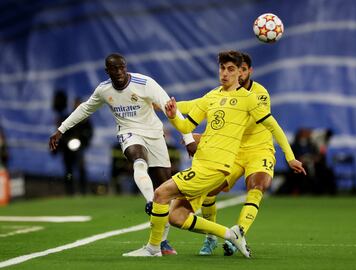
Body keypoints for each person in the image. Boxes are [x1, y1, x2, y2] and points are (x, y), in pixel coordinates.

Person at [123, 50, 305, 257]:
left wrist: (290, 157)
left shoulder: (250, 99)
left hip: (215, 167)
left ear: (240, 73)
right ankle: (228, 234)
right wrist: (172, 115)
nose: (225, 73)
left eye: (231, 69)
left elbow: (274, 127)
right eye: (222, 68)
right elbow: (185, 124)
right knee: (177, 216)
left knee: (160, 194)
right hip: (201, 163)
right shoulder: (212, 96)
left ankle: (153, 248)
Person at [49, 53, 196, 255]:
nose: (118, 72)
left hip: (154, 134)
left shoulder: (145, 83)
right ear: (107, 71)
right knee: (138, 159)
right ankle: (150, 201)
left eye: (121, 68)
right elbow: (84, 109)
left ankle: (161, 242)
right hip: (128, 133)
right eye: (114, 69)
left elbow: (170, 109)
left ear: (125, 67)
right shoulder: (104, 90)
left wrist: (188, 139)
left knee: (164, 188)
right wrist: (61, 129)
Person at [177, 52, 307, 256]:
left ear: (246, 71)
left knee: (258, 186)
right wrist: (166, 104)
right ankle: (210, 237)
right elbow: (196, 105)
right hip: (234, 151)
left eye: (240, 69)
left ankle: (239, 233)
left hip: (259, 149)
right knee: (211, 189)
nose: (236, 73)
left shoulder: (258, 94)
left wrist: (289, 157)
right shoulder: (220, 93)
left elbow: (248, 123)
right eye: (225, 68)